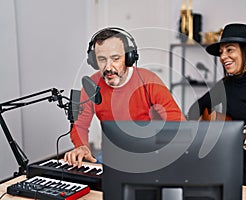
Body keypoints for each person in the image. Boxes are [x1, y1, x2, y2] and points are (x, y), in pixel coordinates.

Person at [64, 27, 186, 168]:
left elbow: (177, 123)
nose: (108, 67)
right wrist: (82, 146)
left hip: (149, 154)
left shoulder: (149, 80)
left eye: (115, 58)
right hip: (111, 155)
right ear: (94, 60)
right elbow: (79, 125)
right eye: (102, 59)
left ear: (129, 58)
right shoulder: (91, 85)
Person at [187, 23, 246, 190]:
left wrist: (219, 132)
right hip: (231, 162)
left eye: (229, 50)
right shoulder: (225, 85)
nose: (223, 56)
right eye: (221, 52)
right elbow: (194, 109)